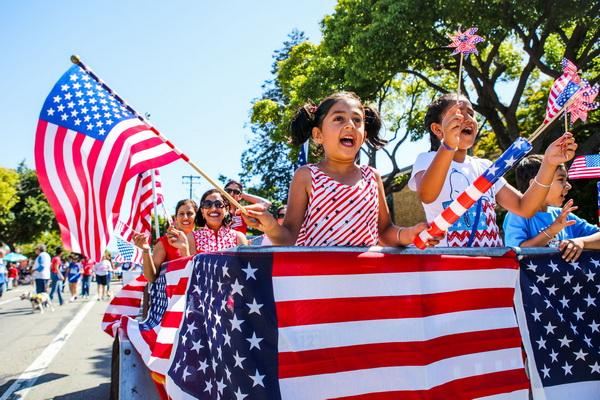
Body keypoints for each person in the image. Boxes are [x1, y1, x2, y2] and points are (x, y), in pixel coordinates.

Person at [243, 92, 438, 247]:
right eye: (339, 119)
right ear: (318, 134)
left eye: (357, 120)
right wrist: (269, 225)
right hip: (319, 281)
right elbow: (288, 238)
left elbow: (386, 232)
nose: (350, 125)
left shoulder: (372, 177)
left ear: (364, 134)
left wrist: (409, 234)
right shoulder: (306, 176)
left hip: (367, 280)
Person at [408, 93, 577, 247]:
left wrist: (548, 163)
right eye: (457, 113)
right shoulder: (427, 159)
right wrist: (448, 145)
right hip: (450, 265)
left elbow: (524, 207)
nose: (467, 118)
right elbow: (427, 195)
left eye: (471, 113)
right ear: (438, 129)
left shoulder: (484, 167)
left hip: (492, 265)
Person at [503, 154, 600, 261]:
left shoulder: (563, 215)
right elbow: (517, 253)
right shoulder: (517, 214)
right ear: (535, 184)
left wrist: (582, 242)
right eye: (560, 179)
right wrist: (551, 231)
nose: (568, 186)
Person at [133, 199, 203, 282]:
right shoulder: (165, 242)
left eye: (189, 213)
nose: (185, 217)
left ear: (197, 217)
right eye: (181, 214)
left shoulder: (205, 239)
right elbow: (151, 278)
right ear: (176, 218)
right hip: (173, 293)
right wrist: (146, 251)